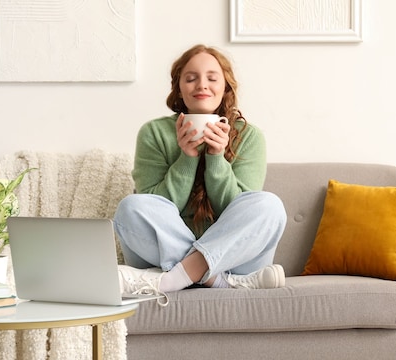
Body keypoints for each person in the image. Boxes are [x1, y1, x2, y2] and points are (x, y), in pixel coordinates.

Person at [113, 44, 287, 305]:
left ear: (225, 87)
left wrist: (216, 158)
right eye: (191, 78)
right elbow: (154, 205)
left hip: (231, 259)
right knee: (130, 207)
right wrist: (187, 158)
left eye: (212, 78)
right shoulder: (154, 133)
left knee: (269, 206)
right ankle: (217, 280)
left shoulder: (250, 136)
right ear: (179, 88)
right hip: (167, 253)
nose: (201, 85)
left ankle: (174, 278)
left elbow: (237, 211)